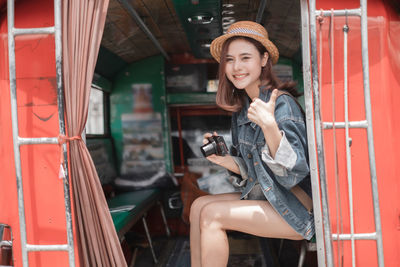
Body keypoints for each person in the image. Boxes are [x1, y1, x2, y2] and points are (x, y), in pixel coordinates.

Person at [189, 21, 314, 267]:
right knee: (198, 206)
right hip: (269, 197)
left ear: (264, 59)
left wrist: (269, 127)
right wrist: (224, 160)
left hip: (296, 208)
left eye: (245, 57)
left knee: (212, 216)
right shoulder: (243, 110)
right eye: (229, 60)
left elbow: (294, 174)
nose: (236, 67)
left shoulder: (281, 105)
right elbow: (255, 171)